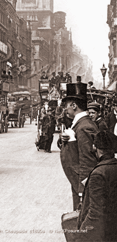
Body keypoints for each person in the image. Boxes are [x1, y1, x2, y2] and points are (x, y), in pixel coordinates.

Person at [60, 81, 98, 211]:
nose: (65, 108)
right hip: (78, 184)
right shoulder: (80, 124)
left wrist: (82, 191)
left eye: (66, 105)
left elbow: (87, 161)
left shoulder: (84, 127)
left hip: (82, 186)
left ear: (74, 105)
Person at [77, 130, 117, 241]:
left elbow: (95, 213)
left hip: (103, 234)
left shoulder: (98, 174)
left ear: (96, 148)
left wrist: (82, 235)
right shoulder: (113, 166)